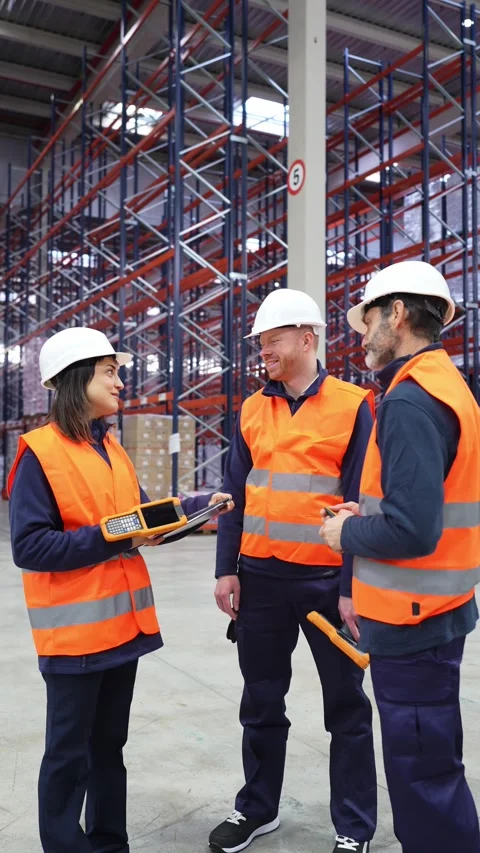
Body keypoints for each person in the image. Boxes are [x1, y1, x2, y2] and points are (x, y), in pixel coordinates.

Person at [8, 326, 233, 853]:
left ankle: (109, 844)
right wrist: (114, 534)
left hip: (121, 631)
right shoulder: (40, 454)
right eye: (110, 372)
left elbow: (139, 518)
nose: (120, 381)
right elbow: (31, 548)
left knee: (109, 748)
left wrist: (195, 507)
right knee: (69, 754)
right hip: (72, 637)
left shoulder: (111, 447)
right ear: (75, 378)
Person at [209, 288, 378, 853]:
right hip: (257, 579)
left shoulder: (354, 405)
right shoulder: (253, 407)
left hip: (326, 583)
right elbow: (235, 494)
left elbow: (362, 503)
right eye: (260, 343)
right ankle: (256, 808)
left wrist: (354, 586)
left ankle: (353, 827)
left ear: (307, 339)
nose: (265, 352)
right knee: (260, 701)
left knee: (347, 706)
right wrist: (225, 569)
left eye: (273, 341)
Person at [322, 260, 480, 853]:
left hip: (416, 621)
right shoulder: (445, 384)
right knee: (433, 766)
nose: (361, 335)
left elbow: (414, 530)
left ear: (398, 315)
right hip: (436, 606)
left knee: (423, 778)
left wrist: (346, 537)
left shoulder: (411, 401)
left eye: (368, 321)